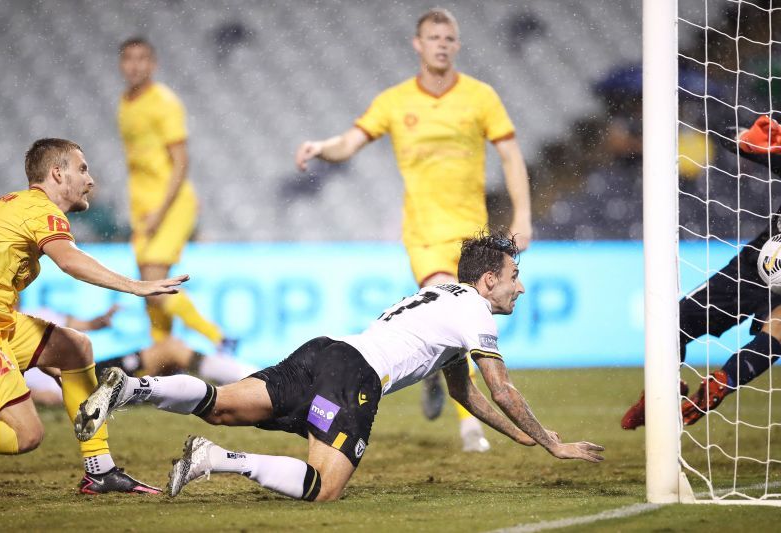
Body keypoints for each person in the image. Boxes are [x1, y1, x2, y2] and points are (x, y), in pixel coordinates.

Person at [75, 230, 604, 503]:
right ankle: (216, 459)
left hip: (324, 350)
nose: (522, 286)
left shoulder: (443, 294)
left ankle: (135, 389)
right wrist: (552, 442)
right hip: (352, 377)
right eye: (514, 275)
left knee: (222, 403)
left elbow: (466, 395)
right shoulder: (473, 312)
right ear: (487, 280)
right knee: (325, 487)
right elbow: (503, 389)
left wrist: (521, 437)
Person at [294, 8, 533, 452]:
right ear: (417, 44)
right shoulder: (395, 100)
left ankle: (435, 374)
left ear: (457, 45)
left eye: (449, 37)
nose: (441, 44)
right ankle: (470, 427)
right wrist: (322, 147)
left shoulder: (481, 97)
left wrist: (523, 216)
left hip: (471, 236)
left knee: (461, 325)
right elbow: (350, 142)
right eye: (433, 37)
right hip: (423, 235)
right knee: (456, 312)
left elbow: (511, 156)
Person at [0, 138, 187, 493]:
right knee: (26, 434)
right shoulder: (41, 211)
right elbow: (71, 261)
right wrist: (137, 286)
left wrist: (38, 357)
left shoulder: (17, 206)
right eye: (82, 169)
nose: (89, 180)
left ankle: (100, 471)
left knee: (74, 348)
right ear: (57, 174)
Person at [622, 115, 781, 429]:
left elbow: (727, 137)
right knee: (774, 330)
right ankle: (712, 383)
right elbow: (729, 136)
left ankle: (671, 393)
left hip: (757, 262)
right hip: (761, 260)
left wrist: (743, 140)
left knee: (676, 323)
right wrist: (748, 140)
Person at [118, 37, 235, 354]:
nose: (135, 65)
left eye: (142, 58)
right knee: (147, 289)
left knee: (153, 285)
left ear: (153, 64)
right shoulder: (125, 103)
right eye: (129, 58)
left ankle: (219, 338)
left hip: (170, 205)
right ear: (121, 64)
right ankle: (163, 353)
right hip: (143, 207)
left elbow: (181, 161)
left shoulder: (164, 103)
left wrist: (160, 210)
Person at [23, 306, 257, 407]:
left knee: (170, 353)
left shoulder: (36, 315)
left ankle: (251, 381)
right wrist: (35, 396)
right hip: (72, 387)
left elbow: (82, 324)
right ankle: (255, 380)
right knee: (169, 351)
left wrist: (101, 321)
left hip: (89, 370)